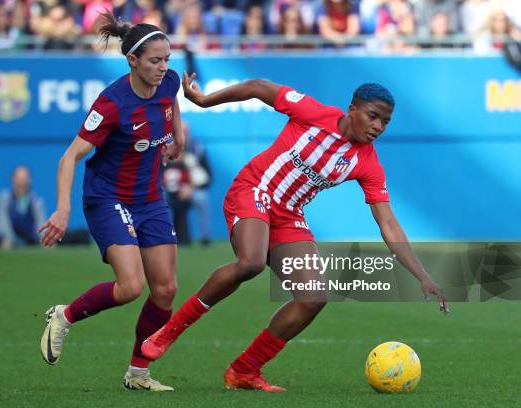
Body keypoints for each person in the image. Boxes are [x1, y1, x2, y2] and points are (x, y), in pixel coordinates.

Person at [141, 73, 449, 392]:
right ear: (352, 109)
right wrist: (204, 100)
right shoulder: (312, 112)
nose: (378, 127)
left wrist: (423, 276)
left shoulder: (368, 163)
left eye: (385, 122)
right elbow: (258, 87)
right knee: (251, 263)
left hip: (288, 215)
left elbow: (388, 223)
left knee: (313, 298)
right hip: (254, 190)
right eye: (373, 116)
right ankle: (169, 331)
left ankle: (244, 370)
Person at [38, 13, 185, 392]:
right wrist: (62, 208)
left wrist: (178, 136)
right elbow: (69, 157)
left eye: (167, 58)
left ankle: (138, 373)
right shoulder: (111, 104)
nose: (164, 67)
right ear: (132, 60)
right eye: (155, 60)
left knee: (166, 289)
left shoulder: (168, 81)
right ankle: (64, 316)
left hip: (149, 197)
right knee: (131, 286)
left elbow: (173, 101)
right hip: (108, 197)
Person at [0, 165, 46, 249]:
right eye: (19, 177)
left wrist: (44, 240)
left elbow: (41, 223)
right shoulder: (4, 198)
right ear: (13, 179)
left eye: (25, 177)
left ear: (30, 179)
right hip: (9, 236)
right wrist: (10, 239)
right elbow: (3, 222)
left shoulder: (36, 201)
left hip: (29, 237)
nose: (22, 181)